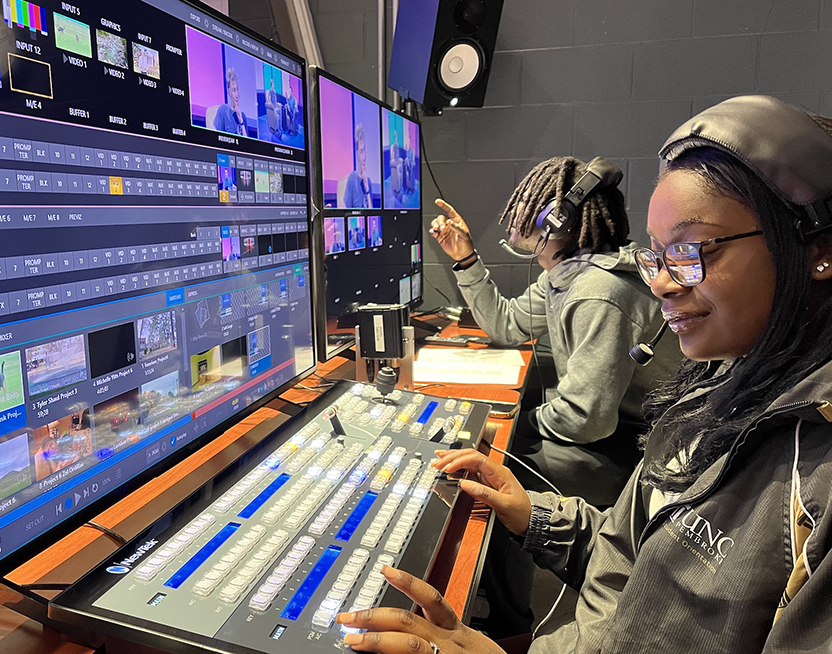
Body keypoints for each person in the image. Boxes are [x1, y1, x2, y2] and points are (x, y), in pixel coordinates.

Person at [336, 95, 832, 653]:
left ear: (818, 248)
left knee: (515, 444)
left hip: (610, 443)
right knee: (505, 465)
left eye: (693, 250)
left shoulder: (812, 477)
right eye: (660, 255)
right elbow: (644, 565)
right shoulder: (716, 389)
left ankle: (505, 617)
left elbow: (589, 421)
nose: (665, 283)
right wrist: (538, 518)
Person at [431, 157, 682, 507]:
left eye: (528, 203)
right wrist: (467, 260)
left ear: (556, 219)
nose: (516, 209)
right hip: (610, 426)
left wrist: (510, 421)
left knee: (496, 459)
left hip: (638, 447)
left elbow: (584, 420)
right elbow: (507, 325)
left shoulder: (599, 291)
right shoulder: (565, 276)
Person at [344, 123, 373, 208]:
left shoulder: (369, 181)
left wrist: (367, 189)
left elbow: (373, 214)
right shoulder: (352, 178)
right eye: (361, 152)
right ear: (357, 155)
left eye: (364, 151)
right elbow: (347, 210)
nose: (364, 157)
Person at [213, 67, 247, 136]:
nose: (237, 95)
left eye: (237, 90)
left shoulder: (243, 116)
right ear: (229, 92)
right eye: (234, 90)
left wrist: (241, 121)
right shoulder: (223, 110)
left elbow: (247, 144)